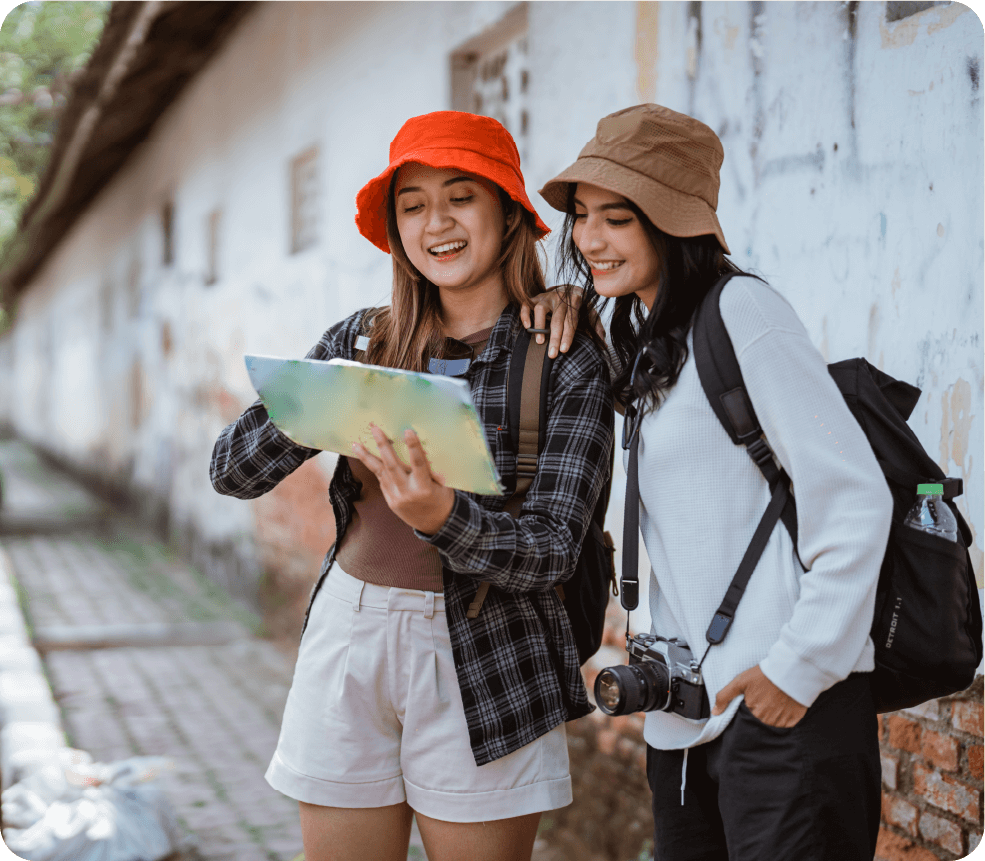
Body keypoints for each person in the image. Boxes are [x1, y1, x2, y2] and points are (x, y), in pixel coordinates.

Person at [209, 110, 614, 861]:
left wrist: (442, 516)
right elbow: (231, 472)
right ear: (395, 229)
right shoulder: (360, 341)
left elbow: (555, 549)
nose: (438, 222)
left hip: (494, 646)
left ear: (508, 210)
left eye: (461, 196)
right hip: (349, 632)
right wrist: (313, 405)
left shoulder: (565, 355)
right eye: (413, 204)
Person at [524, 104, 893, 860]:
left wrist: (796, 669)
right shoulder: (637, 335)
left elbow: (854, 497)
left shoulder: (742, 313)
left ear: (672, 222)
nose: (589, 239)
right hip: (685, 724)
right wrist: (561, 301)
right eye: (582, 218)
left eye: (617, 219)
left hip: (786, 706)